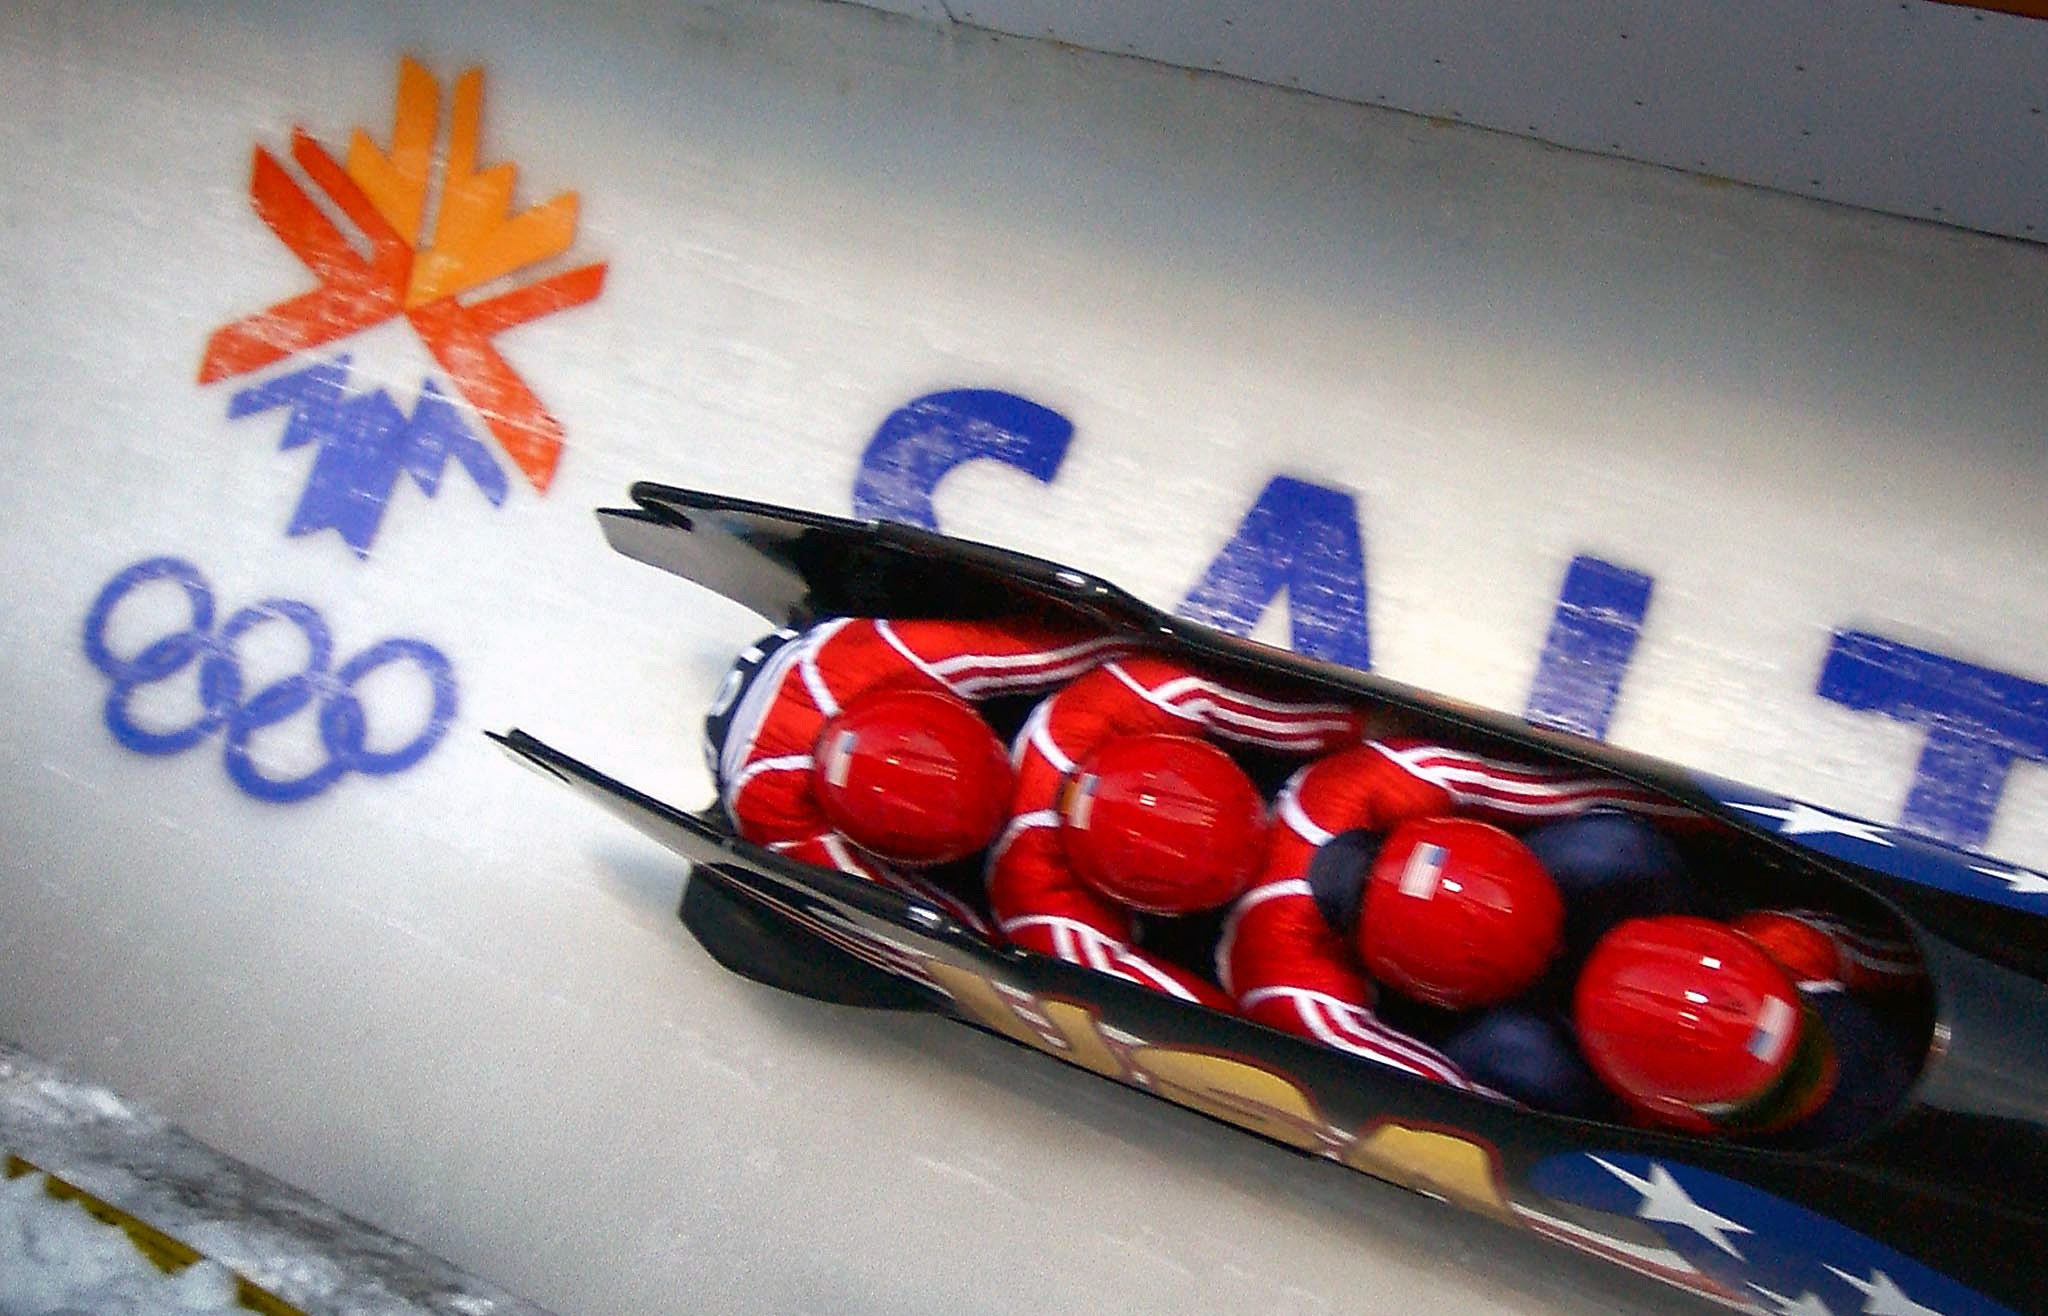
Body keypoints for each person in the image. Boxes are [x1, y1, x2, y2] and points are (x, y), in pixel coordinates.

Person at [985, 654, 1365, 1009]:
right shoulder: (1050, 916)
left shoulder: (1136, 695)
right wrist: (1352, 725)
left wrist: (1354, 725)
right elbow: (1210, 1031)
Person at [707, 616, 1125, 931]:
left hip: (834, 662)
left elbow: (1033, 653)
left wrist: (1139, 649)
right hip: (760, 765)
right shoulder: (770, 806)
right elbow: (917, 917)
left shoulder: (875, 656)